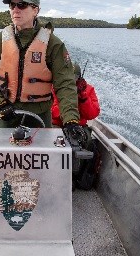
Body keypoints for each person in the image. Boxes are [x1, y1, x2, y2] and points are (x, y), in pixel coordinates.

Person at [0, 0, 86, 142]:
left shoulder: (53, 45)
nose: (15, 9)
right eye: (12, 5)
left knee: (42, 164)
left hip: (40, 118)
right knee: (5, 163)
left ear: (36, 10)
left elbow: (65, 85)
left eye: (21, 5)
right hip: (6, 115)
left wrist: (71, 120)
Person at [51, 62, 101, 190]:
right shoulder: (54, 88)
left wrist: (83, 98)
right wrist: (68, 111)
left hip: (79, 126)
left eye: (73, 78)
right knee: (56, 142)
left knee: (87, 142)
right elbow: (52, 110)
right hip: (58, 124)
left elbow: (92, 113)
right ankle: (55, 174)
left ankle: (76, 175)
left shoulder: (88, 89)